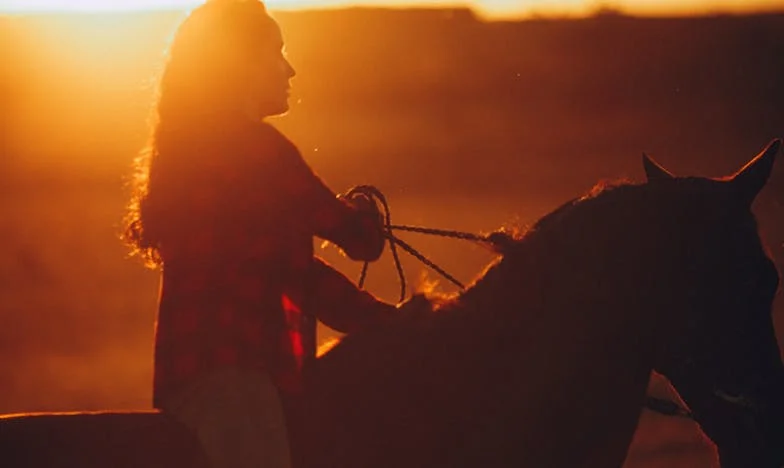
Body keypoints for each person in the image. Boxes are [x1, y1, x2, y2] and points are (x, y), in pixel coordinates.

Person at [122, 1, 406, 466]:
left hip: (197, 374)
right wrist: (364, 217)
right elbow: (358, 241)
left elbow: (289, 272)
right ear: (241, 66)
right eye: (277, 53)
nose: (289, 70)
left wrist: (382, 320)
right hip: (231, 376)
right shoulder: (258, 151)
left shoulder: (194, 151)